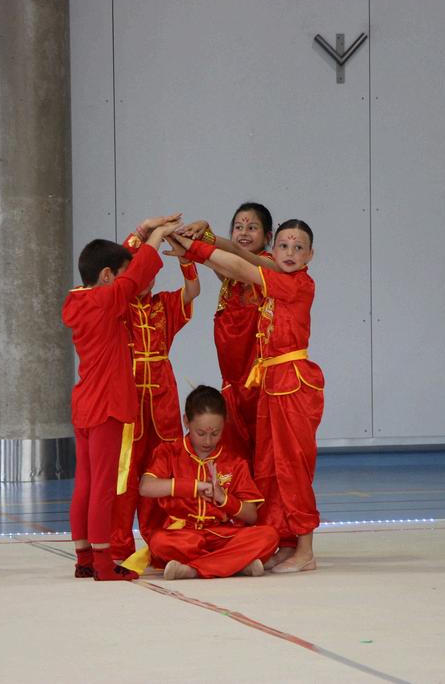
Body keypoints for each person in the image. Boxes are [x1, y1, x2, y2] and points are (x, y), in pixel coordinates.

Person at [166, 219, 323, 573]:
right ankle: (286, 541)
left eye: (298, 248)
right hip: (271, 382)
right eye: (284, 246)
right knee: (270, 467)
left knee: (292, 466)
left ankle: (305, 549)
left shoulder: (296, 283)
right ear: (274, 250)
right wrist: (196, 249)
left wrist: (195, 248)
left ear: (310, 255)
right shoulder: (278, 278)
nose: (290, 253)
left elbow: (240, 264)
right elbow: (236, 261)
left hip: (292, 382)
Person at [62, 213, 182, 581]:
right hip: (107, 406)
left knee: (85, 484)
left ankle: (84, 558)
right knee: (103, 487)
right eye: (119, 275)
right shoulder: (107, 300)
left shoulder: (78, 300)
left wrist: (142, 232)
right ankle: (102, 563)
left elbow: (127, 271)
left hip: (85, 404)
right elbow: (137, 274)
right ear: (106, 276)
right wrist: (157, 236)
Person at [109, 228, 201, 561]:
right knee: (124, 474)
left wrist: (186, 258)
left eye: (150, 272)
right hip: (129, 400)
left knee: (162, 471)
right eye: (139, 271)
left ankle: (161, 544)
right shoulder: (118, 305)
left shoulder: (164, 304)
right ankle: (118, 544)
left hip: (163, 400)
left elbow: (193, 290)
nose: (146, 279)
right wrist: (142, 233)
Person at [139, 385, 278, 580]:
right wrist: (195, 486)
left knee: (269, 536)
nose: (207, 441)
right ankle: (234, 565)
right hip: (183, 536)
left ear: (225, 424)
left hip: (223, 535)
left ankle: (192, 570)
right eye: (201, 433)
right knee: (159, 542)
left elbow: (252, 515)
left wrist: (223, 499)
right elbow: (146, 487)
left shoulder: (235, 462)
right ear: (186, 421)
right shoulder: (169, 452)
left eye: (215, 433)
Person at [178, 204, 275, 468]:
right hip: (232, 379)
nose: (243, 233)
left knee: (263, 444)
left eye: (252, 228)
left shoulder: (269, 266)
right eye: (238, 227)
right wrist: (186, 243)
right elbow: (218, 261)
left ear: (267, 237)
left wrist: (206, 238)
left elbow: (236, 261)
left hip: (257, 377)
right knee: (236, 447)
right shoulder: (230, 274)